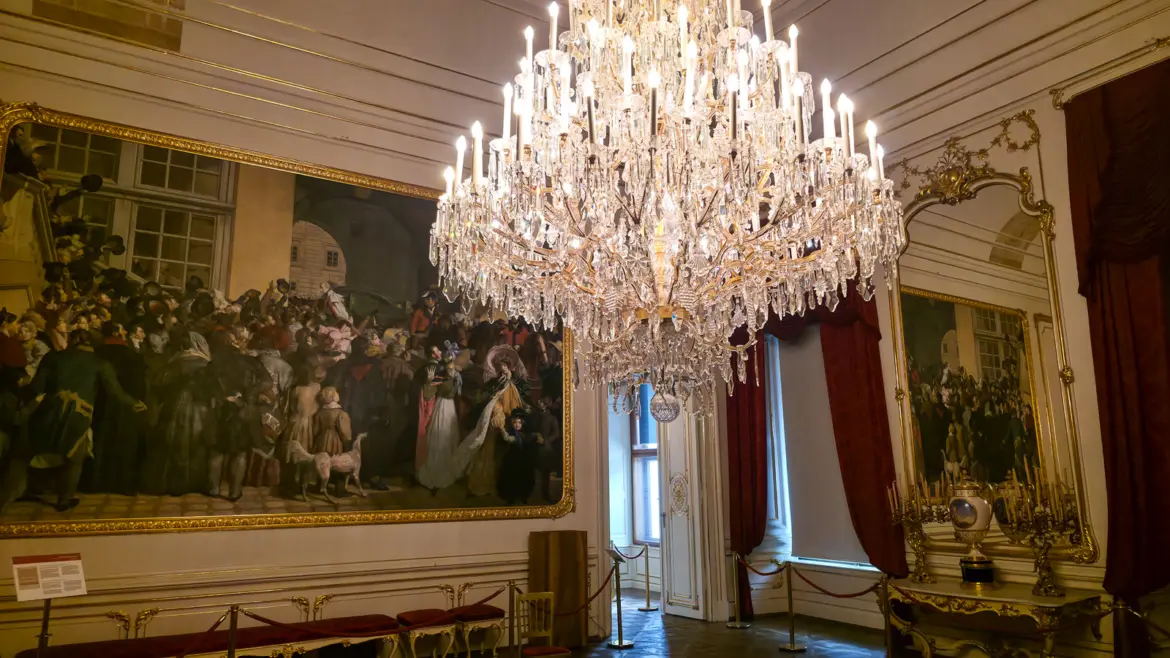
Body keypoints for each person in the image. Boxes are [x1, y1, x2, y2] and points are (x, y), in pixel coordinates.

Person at [2, 329, 145, 512]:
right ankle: (65, 498)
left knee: (26, 453)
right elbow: (115, 393)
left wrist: (20, 397)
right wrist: (135, 404)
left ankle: (4, 497)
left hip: (48, 411)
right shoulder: (100, 363)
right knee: (74, 456)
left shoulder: (53, 358)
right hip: (79, 415)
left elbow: (36, 388)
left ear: (73, 340)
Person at [141, 330, 213, 496]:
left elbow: (159, 383)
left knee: (175, 442)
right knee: (197, 443)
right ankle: (195, 481)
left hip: (176, 405)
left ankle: (176, 483)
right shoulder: (205, 362)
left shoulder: (175, 361)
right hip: (200, 407)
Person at [204, 328, 273, 501]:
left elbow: (204, 385)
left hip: (220, 409)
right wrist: (250, 393)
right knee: (240, 452)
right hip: (244, 409)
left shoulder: (215, 362)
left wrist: (222, 396)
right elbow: (267, 381)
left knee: (217, 451)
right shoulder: (250, 361)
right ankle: (235, 492)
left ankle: (213, 489)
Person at [86, 322, 148, 495]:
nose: (126, 332)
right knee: (125, 444)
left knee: (100, 442)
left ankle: (97, 483)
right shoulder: (131, 356)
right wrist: (139, 401)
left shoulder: (96, 354)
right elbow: (139, 383)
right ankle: (123, 484)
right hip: (127, 406)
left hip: (100, 404)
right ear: (116, 333)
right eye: (122, 330)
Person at [497, 410, 540, 505]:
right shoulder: (512, 434)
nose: (517, 425)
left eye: (519, 422)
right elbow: (507, 439)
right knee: (510, 477)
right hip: (512, 459)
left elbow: (531, 439)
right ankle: (511, 497)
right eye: (515, 422)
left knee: (524, 477)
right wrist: (502, 429)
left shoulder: (526, 434)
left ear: (523, 423)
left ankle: (523, 496)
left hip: (524, 459)